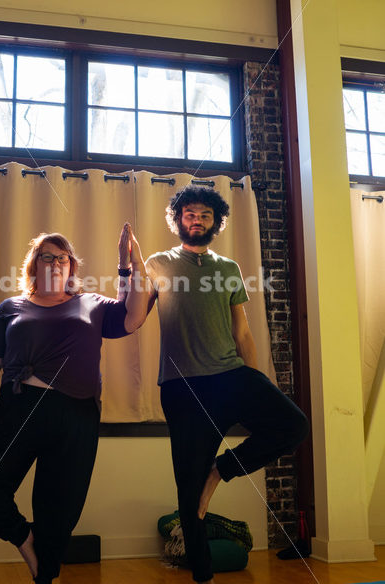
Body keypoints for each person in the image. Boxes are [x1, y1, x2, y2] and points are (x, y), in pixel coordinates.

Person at [0, 225, 149, 584]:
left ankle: (45, 576)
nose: (56, 263)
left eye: (63, 258)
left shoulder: (91, 303)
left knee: (60, 505)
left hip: (76, 413)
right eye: (48, 256)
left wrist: (129, 263)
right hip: (19, 406)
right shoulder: (10, 306)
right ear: (34, 266)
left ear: (71, 268)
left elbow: (133, 316)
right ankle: (25, 539)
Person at [142, 185, 309, 584]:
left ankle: (222, 469)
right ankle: (204, 576)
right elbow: (133, 312)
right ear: (178, 220)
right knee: (189, 489)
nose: (196, 220)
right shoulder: (158, 263)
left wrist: (254, 378)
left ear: (215, 222)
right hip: (183, 388)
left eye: (204, 215)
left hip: (232, 377)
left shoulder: (229, 269)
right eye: (189, 214)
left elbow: (242, 330)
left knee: (294, 426)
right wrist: (125, 271)